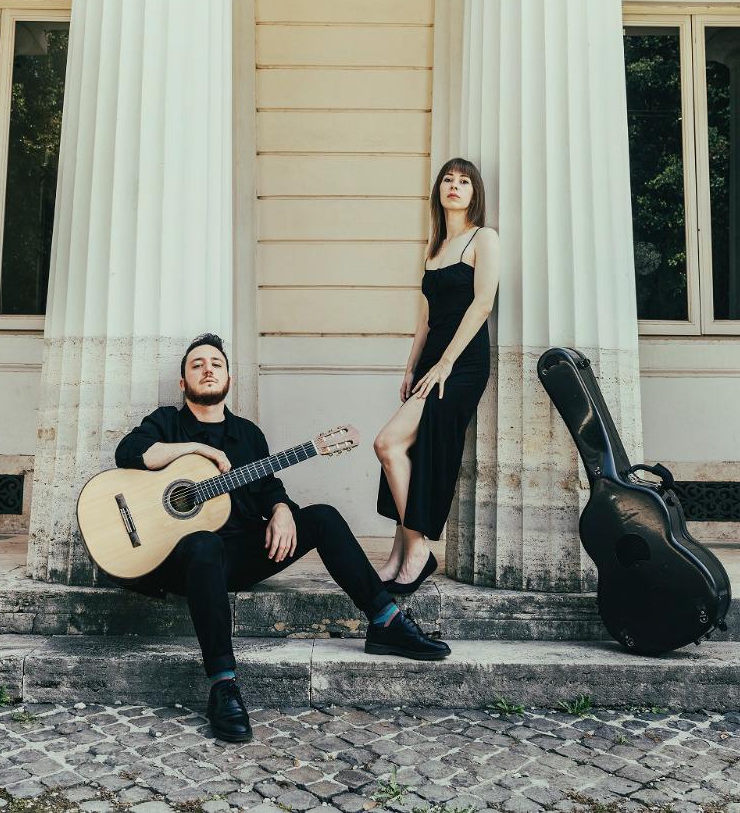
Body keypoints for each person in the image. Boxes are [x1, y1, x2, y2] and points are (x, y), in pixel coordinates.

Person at [113, 333, 450, 744]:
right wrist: (194, 451)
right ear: (183, 384)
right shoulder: (165, 423)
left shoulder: (248, 435)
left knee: (323, 517)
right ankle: (224, 686)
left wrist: (282, 510)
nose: (207, 369)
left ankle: (385, 621)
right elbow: (128, 451)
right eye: (197, 364)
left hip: (239, 556)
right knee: (203, 543)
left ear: (229, 380)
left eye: (216, 364)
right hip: (183, 560)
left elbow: (270, 487)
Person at [374, 158, 500, 594]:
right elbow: (426, 318)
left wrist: (445, 362)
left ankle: (419, 548)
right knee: (410, 451)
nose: (454, 185)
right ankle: (399, 554)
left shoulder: (484, 238)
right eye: (448, 179)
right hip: (432, 362)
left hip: (462, 363)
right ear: (439, 192)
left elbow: (482, 303)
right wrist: (412, 366)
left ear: (474, 194)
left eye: (464, 181)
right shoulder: (433, 248)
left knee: (389, 443)